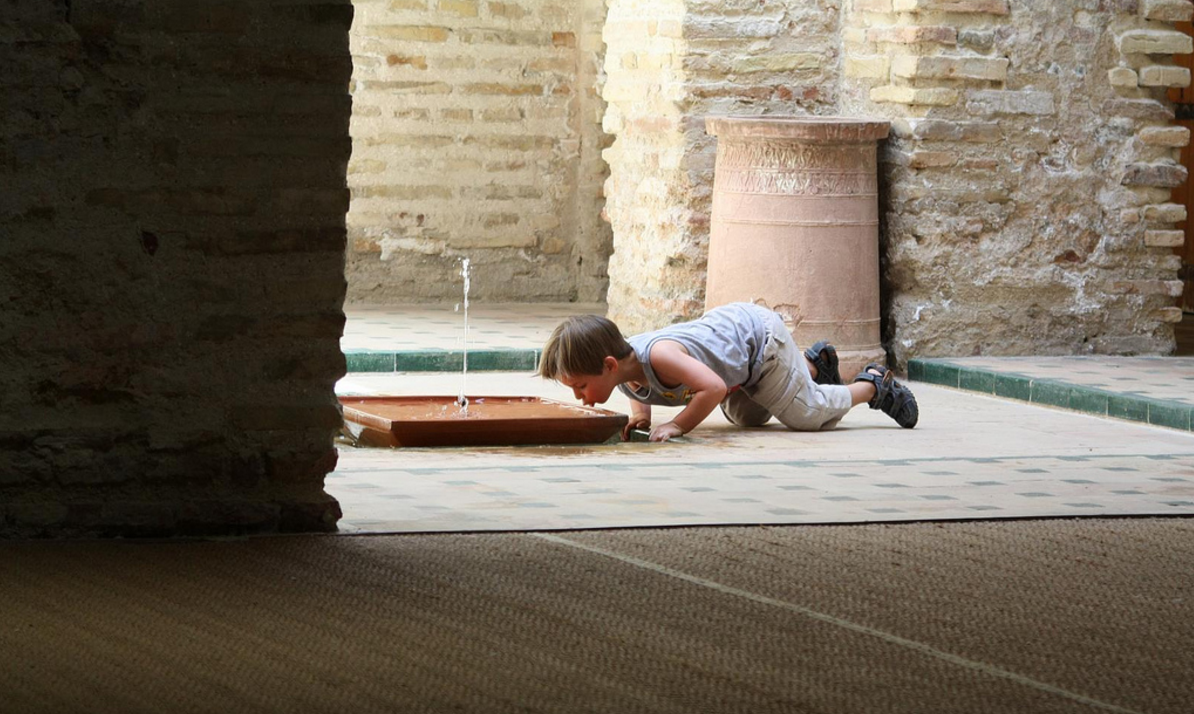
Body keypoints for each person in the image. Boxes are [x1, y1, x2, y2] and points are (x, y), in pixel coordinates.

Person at [537, 302, 918, 442]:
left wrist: (678, 425)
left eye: (580, 386)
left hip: (759, 342)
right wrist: (641, 417)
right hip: (741, 366)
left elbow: (714, 388)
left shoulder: (660, 355)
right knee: (747, 417)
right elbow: (639, 390)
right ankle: (812, 365)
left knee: (805, 414)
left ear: (608, 365)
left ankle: (872, 385)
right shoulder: (622, 367)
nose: (578, 396)